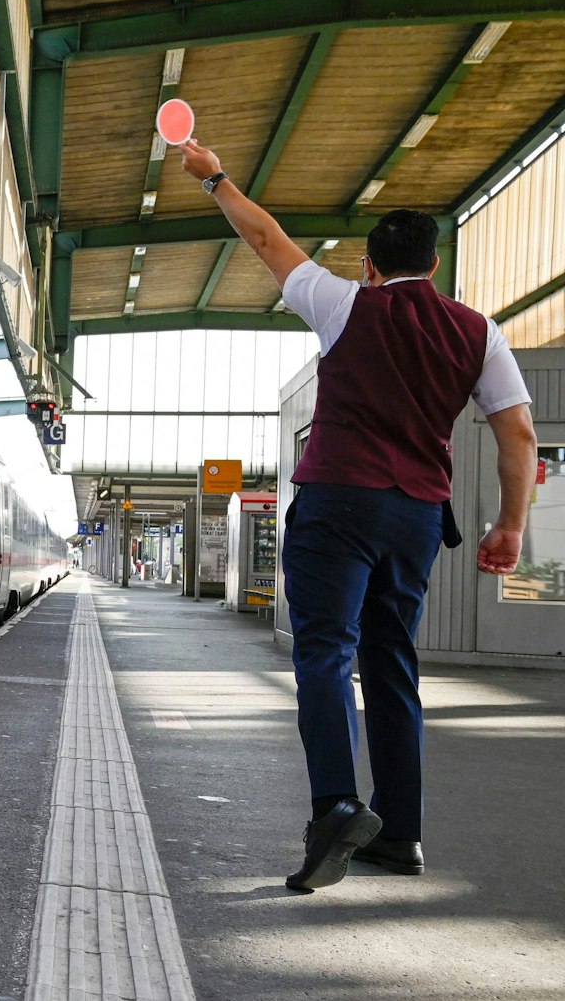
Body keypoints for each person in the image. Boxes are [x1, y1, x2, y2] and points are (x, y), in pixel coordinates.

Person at [178, 140, 539, 892]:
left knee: (324, 652)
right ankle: (401, 832)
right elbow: (519, 434)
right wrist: (511, 523)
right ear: (435, 266)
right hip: (416, 513)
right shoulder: (479, 332)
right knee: (393, 664)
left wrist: (214, 177)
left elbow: (267, 238)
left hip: (340, 502)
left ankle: (336, 805)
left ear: (371, 265)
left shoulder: (344, 303)